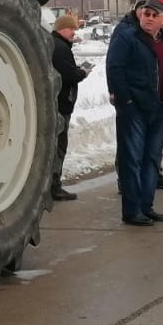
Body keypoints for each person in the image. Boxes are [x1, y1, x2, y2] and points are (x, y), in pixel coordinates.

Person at [106, 0, 163, 226]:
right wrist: (127, 101)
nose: (149, 19)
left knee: (152, 159)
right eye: (146, 14)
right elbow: (114, 69)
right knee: (131, 159)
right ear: (139, 14)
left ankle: (146, 206)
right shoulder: (127, 37)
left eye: (154, 15)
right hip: (134, 110)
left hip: (160, 108)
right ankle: (132, 211)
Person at [49, 13, 92, 201]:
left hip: (57, 103)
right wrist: (82, 72)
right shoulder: (59, 47)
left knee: (55, 145)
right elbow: (67, 74)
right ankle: (54, 186)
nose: (74, 32)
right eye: (71, 28)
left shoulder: (55, 44)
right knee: (58, 146)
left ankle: (50, 185)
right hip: (60, 104)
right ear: (61, 28)